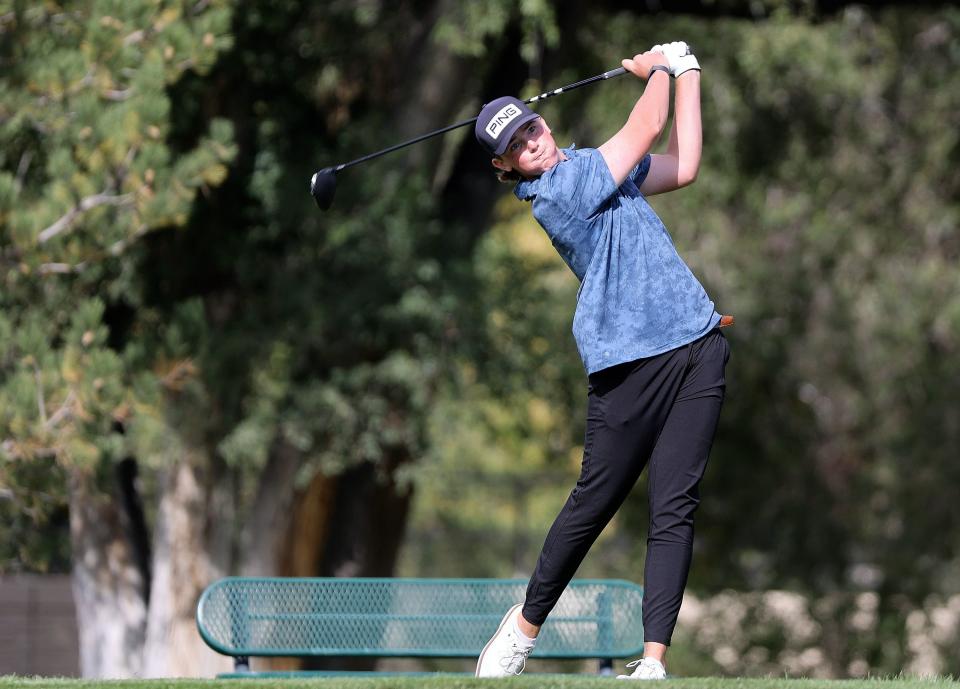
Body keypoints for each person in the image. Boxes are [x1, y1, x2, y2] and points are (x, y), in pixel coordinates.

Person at [472, 43, 732, 680]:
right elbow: (646, 125)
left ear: (543, 123)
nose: (531, 141)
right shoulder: (556, 194)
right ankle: (524, 629)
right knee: (594, 503)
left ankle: (651, 663)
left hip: (696, 345)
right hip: (627, 366)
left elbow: (685, 164)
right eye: (516, 144)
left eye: (531, 125)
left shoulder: (593, 166)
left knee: (676, 505)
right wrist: (660, 71)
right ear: (507, 167)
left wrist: (688, 72)